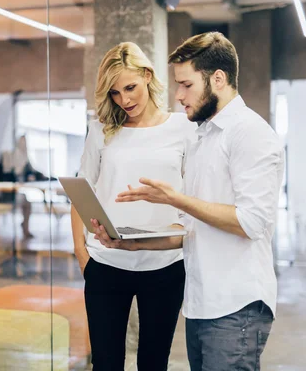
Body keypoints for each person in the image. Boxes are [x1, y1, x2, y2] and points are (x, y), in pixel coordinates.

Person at [92, 32, 284, 371]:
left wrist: (175, 198)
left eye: (186, 85)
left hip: (235, 305)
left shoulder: (251, 134)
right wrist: (134, 246)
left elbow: (252, 221)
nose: (178, 95)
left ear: (218, 79)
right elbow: (193, 229)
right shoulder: (203, 136)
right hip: (201, 305)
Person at [72, 42, 195, 370]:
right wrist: (82, 256)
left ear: (147, 76)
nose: (124, 100)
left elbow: (194, 199)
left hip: (165, 265)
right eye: (114, 92)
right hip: (106, 263)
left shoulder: (184, 128)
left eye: (130, 87)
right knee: (106, 364)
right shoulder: (102, 131)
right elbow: (81, 193)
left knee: (154, 363)